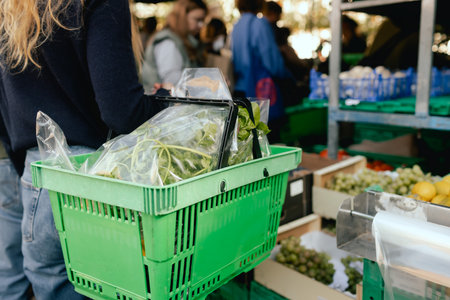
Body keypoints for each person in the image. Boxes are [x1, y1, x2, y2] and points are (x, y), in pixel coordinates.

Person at [0, 0, 167, 298]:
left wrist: (25, 169)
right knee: (111, 285)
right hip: (91, 175)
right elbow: (122, 111)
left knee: (45, 281)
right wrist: (170, 103)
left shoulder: (12, 8)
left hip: (37, 171)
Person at [231, 0, 292, 142]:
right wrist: (289, 77)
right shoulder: (260, 24)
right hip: (260, 93)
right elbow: (273, 63)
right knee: (269, 141)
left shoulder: (237, 26)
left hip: (241, 92)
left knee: (250, 145)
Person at [142, 0, 207, 92]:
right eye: (197, 20)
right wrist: (206, 81)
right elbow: (172, 79)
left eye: (202, 20)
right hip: (161, 104)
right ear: (182, 17)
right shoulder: (168, 41)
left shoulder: (182, 39)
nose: (201, 25)